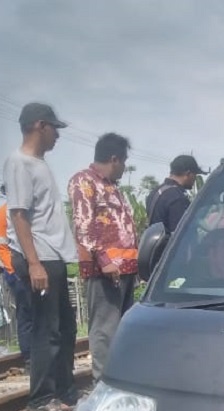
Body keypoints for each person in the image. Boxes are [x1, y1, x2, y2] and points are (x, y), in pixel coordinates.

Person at [4, 101, 79, 411]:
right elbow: (19, 215)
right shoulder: (19, 162)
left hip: (52, 256)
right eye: (54, 129)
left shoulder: (39, 164)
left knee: (65, 326)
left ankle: (63, 392)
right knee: (46, 329)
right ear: (39, 125)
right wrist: (33, 263)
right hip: (39, 256)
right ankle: (41, 398)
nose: (57, 136)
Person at [69, 133, 137, 382]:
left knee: (123, 329)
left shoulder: (112, 187)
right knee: (105, 330)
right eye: (124, 161)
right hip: (105, 269)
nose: (125, 167)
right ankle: (104, 383)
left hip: (126, 267)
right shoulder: (84, 182)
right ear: (114, 159)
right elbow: (83, 225)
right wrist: (103, 260)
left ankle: (122, 379)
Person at [0, 185, 32, 362]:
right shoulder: (1, 214)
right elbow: (1, 248)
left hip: (36, 267)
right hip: (17, 272)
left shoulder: (31, 212)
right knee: (26, 312)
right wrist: (15, 271)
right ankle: (29, 355)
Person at [147, 154, 205, 236]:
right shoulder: (177, 197)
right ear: (188, 174)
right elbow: (181, 235)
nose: (195, 179)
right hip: (170, 248)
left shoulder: (155, 192)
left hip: (156, 247)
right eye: (195, 175)